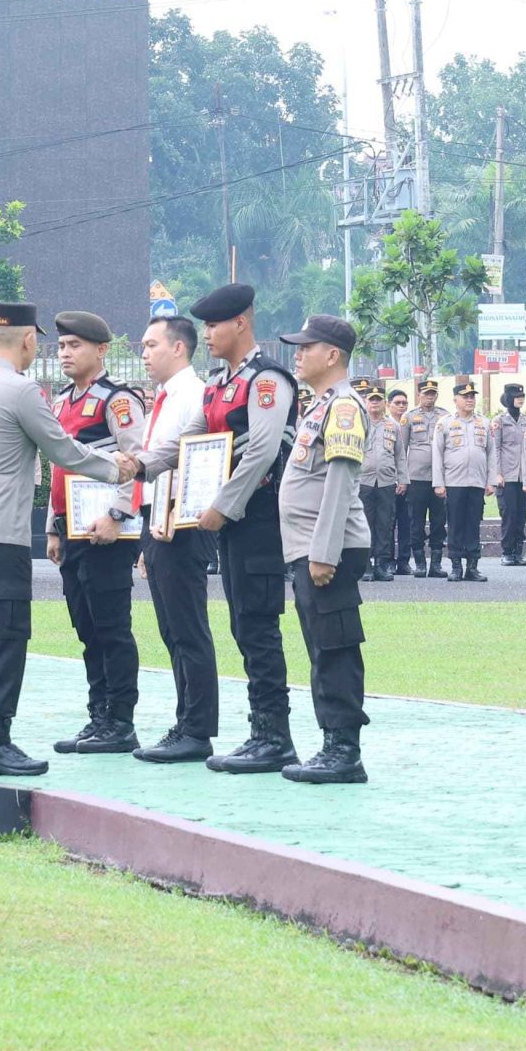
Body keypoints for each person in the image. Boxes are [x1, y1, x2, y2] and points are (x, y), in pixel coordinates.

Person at [0, 303, 136, 776]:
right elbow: (63, 450)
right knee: (6, 635)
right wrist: (119, 468)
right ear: (28, 341)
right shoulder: (21, 390)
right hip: (1, 536)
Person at [189, 283, 303, 773]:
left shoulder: (266, 380)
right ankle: (262, 730)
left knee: (258, 626)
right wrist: (144, 467)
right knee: (242, 622)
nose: (207, 334)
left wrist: (222, 506)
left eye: (214, 325)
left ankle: (274, 735)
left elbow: (262, 449)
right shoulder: (218, 383)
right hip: (230, 519)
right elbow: (190, 441)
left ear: (241, 322)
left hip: (256, 516)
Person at [273, 314, 375, 784]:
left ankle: (343, 750)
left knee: (334, 647)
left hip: (328, 548)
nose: (297, 354)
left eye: (305, 347)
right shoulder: (321, 405)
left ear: (331, 355)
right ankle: (331, 742)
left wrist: (324, 552)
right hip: (311, 547)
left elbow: (339, 482)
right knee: (320, 646)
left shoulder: (345, 407)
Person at [47, 310, 148, 755]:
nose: (65, 353)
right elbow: (57, 468)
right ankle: (98, 716)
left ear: (101, 350)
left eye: (75, 346)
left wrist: (118, 515)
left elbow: (137, 462)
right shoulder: (61, 401)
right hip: (72, 529)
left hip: (107, 529)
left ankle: (121, 721)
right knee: (85, 626)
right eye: (62, 346)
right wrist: (54, 525)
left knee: (111, 627)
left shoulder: (118, 400)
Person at [132, 313, 219, 760]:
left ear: (178, 348)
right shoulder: (165, 397)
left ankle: (196, 729)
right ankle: (185, 721)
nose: (143, 354)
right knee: (171, 629)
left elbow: (189, 459)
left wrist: (164, 520)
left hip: (182, 523)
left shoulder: (194, 395)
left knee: (187, 628)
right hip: (159, 519)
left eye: (151, 345)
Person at [432, 379, 495, 582]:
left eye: (472, 396)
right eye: (465, 397)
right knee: (456, 524)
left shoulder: (483, 423)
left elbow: (491, 453)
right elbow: (437, 454)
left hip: (476, 482)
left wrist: (490, 480)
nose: (470, 400)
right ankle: (456, 566)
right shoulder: (445, 423)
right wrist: (439, 482)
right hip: (454, 482)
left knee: (473, 524)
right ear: (455, 400)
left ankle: (473, 566)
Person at [399, 379, 446, 576]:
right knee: (415, 521)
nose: (429, 397)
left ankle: (436, 564)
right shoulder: (408, 417)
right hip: (416, 477)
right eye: (426, 393)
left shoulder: (444, 416)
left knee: (438, 521)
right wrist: (401, 477)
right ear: (419, 395)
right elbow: (401, 449)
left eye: (433, 393)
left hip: (438, 478)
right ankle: (419, 562)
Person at [356, 385, 402, 584]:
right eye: (371, 399)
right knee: (364, 523)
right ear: (365, 402)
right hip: (363, 480)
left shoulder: (392, 426)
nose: (375, 402)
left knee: (385, 523)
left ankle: (382, 564)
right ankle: (365, 565)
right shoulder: (357, 423)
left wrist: (403, 480)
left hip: (386, 480)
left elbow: (400, 455)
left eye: (378, 399)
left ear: (384, 402)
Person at [493, 384, 526, 566]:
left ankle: (518, 551)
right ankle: (507, 551)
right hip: (506, 476)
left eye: (522, 395)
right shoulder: (499, 421)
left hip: (523, 476)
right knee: (509, 514)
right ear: (508, 398)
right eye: (517, 396)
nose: (520, 399)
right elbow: (495, 448)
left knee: (522, 513)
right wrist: (497, 473)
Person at [383, 390, 411, 575]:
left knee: (406, 522)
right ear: (389, 404)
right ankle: (388, 560)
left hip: (410, 479)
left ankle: (403, 561)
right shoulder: (384, 424)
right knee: (388, 523)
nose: (401, 406)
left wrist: (405, 479)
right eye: (397, 403)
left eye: (404, 403)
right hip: (388, 481)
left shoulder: (411, 421)